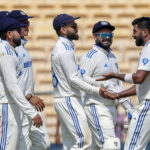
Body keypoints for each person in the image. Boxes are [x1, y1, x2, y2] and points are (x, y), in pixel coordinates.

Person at [51, 13, 109, 150]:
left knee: (71, 144)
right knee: (84, 141)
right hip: (69, 98)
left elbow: (78, 76)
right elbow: (73, 79)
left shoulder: (65, 47)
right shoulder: (64, 49)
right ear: (63, 30)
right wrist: (97, 90)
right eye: (73, 26)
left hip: (66, 98)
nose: (77, 29)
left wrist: (99, 84)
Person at [80, 20, 135, 150]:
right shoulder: (90, 56)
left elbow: (117, 85)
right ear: (95, 36)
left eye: (110, 35)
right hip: (96, 105)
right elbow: (81, 80)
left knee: (98, 146)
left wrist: (128, 107)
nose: (107, 38)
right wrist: (103, 86)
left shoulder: (113, 57)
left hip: (112, 108)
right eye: (103, 35)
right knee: (111, 144)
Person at [97, 17, 150, 150]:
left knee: (132, 148)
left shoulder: (148, 49)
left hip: (147, 106)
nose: (133, 35)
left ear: (144, 32)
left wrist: (115, 75)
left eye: (135, 31)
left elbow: (139, 78)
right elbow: (141, 86)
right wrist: (118, 96)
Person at [8, 10, 51, 150]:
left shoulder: (22, 47)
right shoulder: (10, 50)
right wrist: (29, 96)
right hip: (20, 104)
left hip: (29, 103)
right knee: (23, 145)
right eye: (23, 23)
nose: (27, 26)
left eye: (28, 22)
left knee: (43, 143)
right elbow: (12, 83)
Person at [0, 15, 42, 150]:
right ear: (9, 34)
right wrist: (31, 112)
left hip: (13, 106)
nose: (21, 33)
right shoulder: (5, 53)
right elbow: (13, 87)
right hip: (7, 105)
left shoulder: (11, 51)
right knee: (8, 146)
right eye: (17, 30)